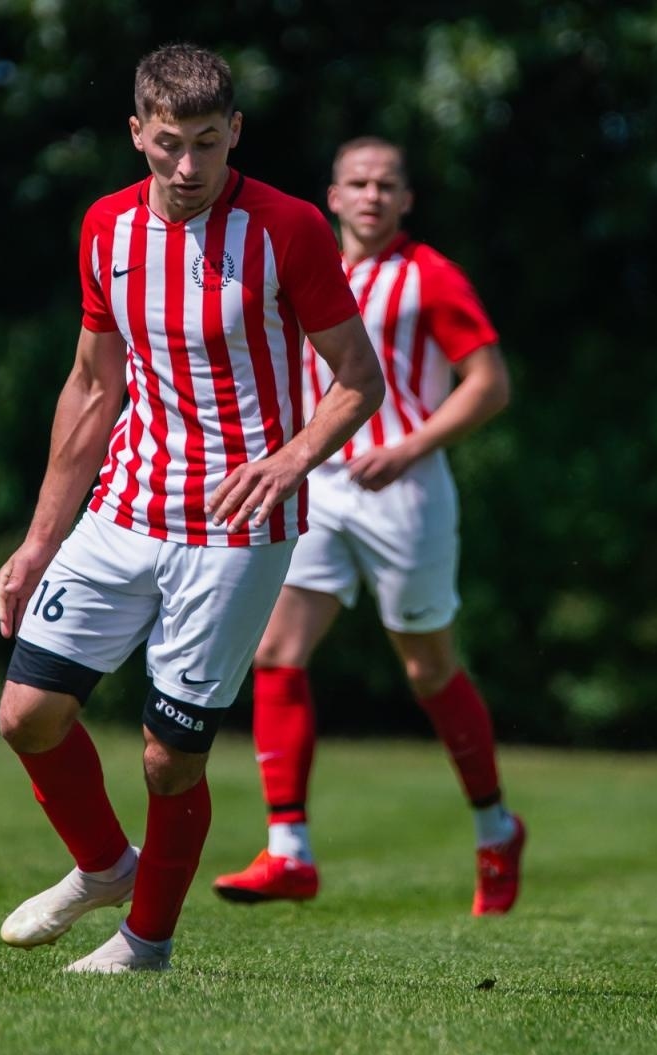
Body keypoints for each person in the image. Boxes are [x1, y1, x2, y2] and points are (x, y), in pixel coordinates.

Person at [0, 44, 384, 973]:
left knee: (171, 759)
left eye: (209, 142)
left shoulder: (287, 230)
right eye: (170, 143)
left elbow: (356, 380)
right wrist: (40, 537)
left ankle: (146, 944)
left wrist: (289, 460)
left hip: (239, 531)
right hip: (127, 507)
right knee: (27, 713)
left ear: (235, 131)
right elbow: (91, 389)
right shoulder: (105, 230)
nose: (190, 166)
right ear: (138, 134)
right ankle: (103, 867)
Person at [211, 137, 525, 915]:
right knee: (278, 648)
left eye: (388, 184)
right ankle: (289, 850)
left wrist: (412, 445)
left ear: (406, 200)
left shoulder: (430, 275)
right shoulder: (312, 263)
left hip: (405, 493)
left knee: (427, 671)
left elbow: (490, 383)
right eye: (359, 183)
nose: (373, 196)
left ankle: (495, 827)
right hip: (319, 484)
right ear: (334, 195)